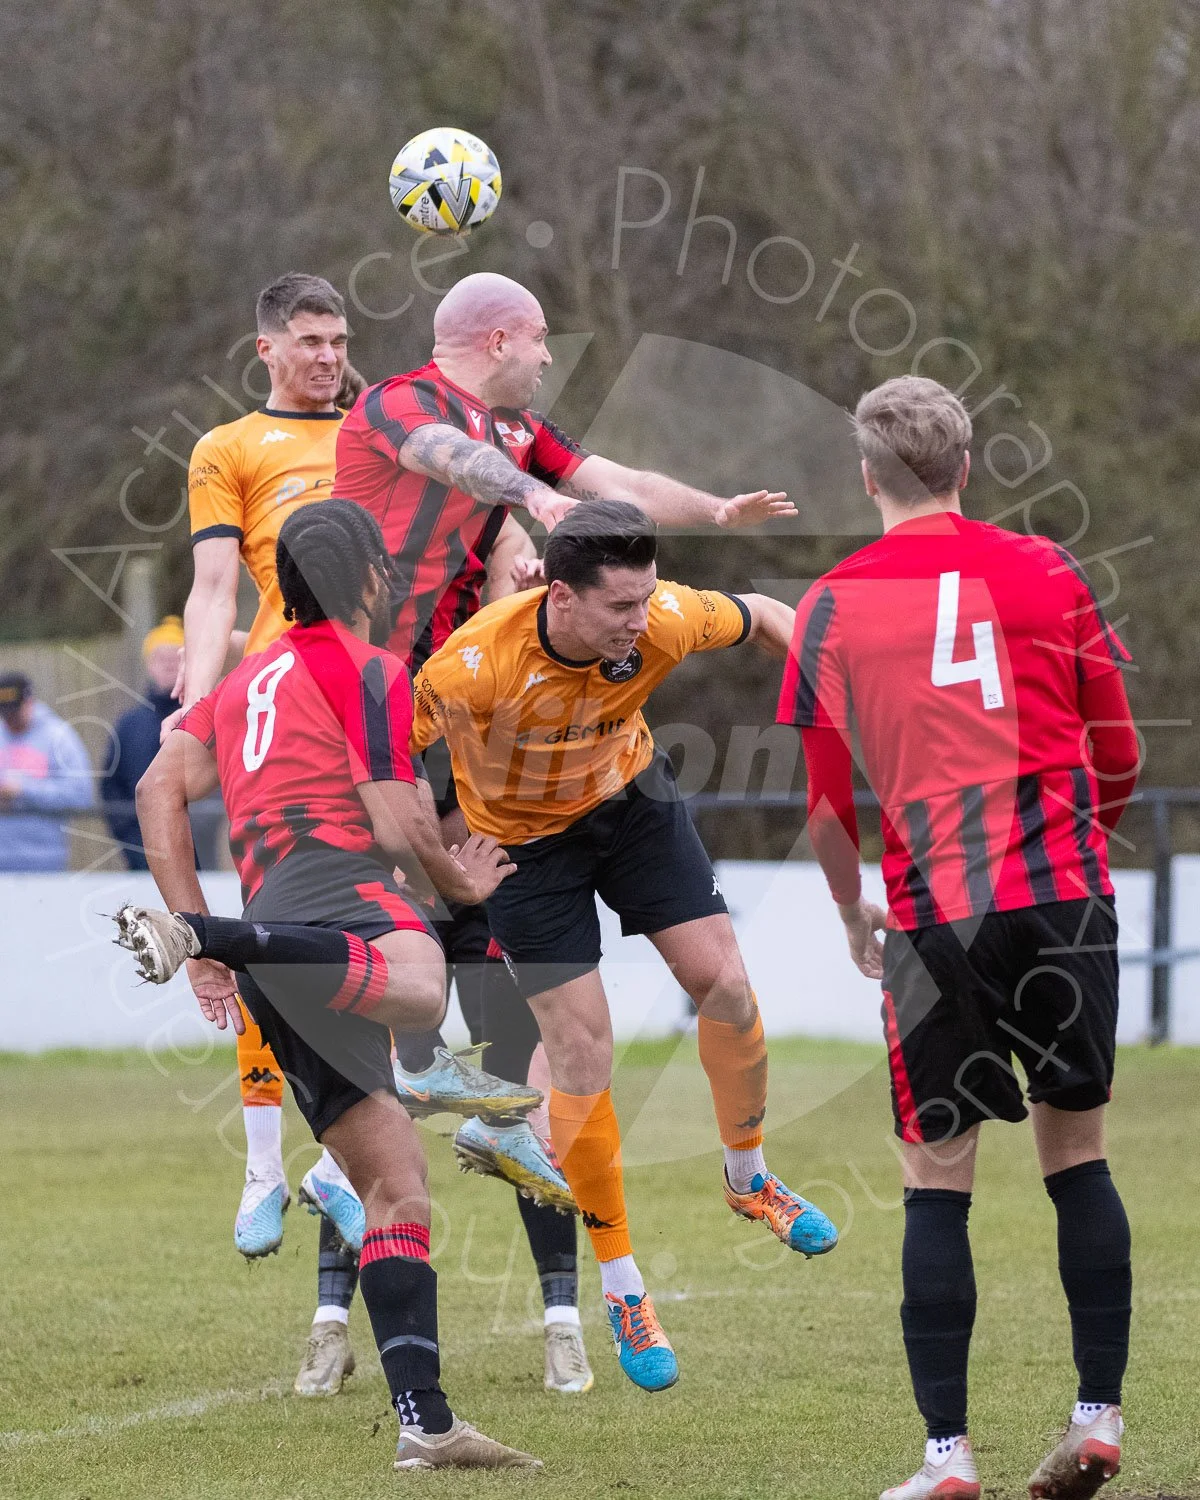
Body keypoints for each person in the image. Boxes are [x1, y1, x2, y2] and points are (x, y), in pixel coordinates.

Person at [336, 271, 799, 1391]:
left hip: (604, 784)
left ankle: (732, 1173)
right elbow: (457, 465)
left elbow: (628, 498)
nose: (550, 356)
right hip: (459, 759)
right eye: (540, 339)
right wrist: (536, 505)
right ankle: (612, 1275)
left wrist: (713, 515)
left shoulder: (563, 488)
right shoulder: (405, 406)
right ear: (498, 337)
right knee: (558, 1032)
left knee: (712, 988)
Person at [114, 501, 540, 1472]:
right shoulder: (373, 669)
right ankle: (211, 933)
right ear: (369, 579)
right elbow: (394, 822)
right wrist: (458, 882)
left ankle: (426, 1425)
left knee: (396, 1188)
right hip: (341, 900)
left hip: (280, 942)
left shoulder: (244, 681)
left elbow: (154, 790)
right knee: (425, 990)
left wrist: (210, 948)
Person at [776, 376, 1141, 1500]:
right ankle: (1098, 1416)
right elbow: (1120, 752)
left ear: (867, 478)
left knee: (938, 1177)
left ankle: (948, 1458)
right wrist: (1078, 857)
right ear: (966, 466)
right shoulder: (1049, 570)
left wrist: (852, 909)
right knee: (1078, 1156)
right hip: (1065, 899)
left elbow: (827, 808)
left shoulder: (831, 603)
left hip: (936, 920)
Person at [408, 499, 840, 1394]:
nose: (640, 620)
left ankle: (750, 1179)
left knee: (726, 985)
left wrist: (834, 686)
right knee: (582, 1055)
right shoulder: (473, 667)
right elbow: (382, 758)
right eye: (620, 606)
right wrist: (443, 868)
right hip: (524, 851)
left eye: (646, 599)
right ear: (559, 596)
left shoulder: (664, 618)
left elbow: (768, 616)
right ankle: (624, 1288)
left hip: (632, 803)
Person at [103, 617, 185, 869]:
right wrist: (133, 841)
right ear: (149, 665)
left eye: (176, 657)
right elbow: (111, 786)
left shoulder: (205, 718)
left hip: (198, 855)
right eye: (161, 658)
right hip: (140, 856)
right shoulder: (128, 726)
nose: (169, 664)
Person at [0, 671, 94, 871]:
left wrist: (23, 790)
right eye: (3, 713)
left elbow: (81, 795)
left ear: (29, 702)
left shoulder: (58, 737)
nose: (9, 720)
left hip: (45, 864)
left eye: (14, 712)